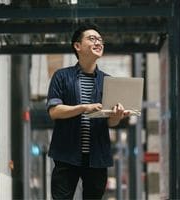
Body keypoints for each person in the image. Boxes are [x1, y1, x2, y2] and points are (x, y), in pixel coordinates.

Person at [46, 22, 129, 200]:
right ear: (77, 46)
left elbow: (110, 122)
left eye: (100, 40)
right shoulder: (62, 76)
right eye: (92, 39)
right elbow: (54, 111)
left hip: (97, 156)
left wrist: (117, 116)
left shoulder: (108, 81)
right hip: (66, 153)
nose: (98, 43)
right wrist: (84, 108)